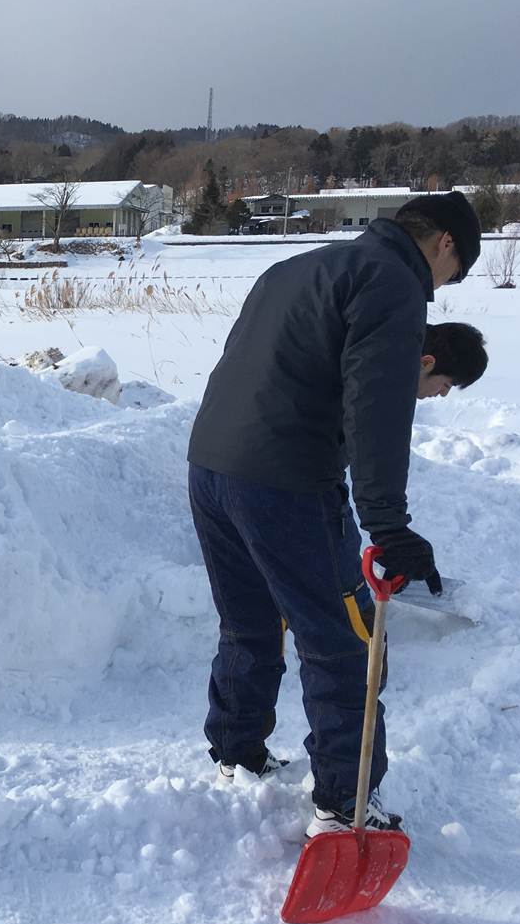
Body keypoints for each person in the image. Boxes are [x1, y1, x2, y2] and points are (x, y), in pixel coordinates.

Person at [186, 192, 485, 837]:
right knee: (346, 641)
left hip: (211, 467)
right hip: (286, 480)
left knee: (249, 622)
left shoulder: (300, 266)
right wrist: (389, 528)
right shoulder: (392, 284)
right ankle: (346, 806)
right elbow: (378, 411)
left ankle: (237, 757)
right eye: (450, 276)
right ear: (445, 245)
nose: (439, 289)